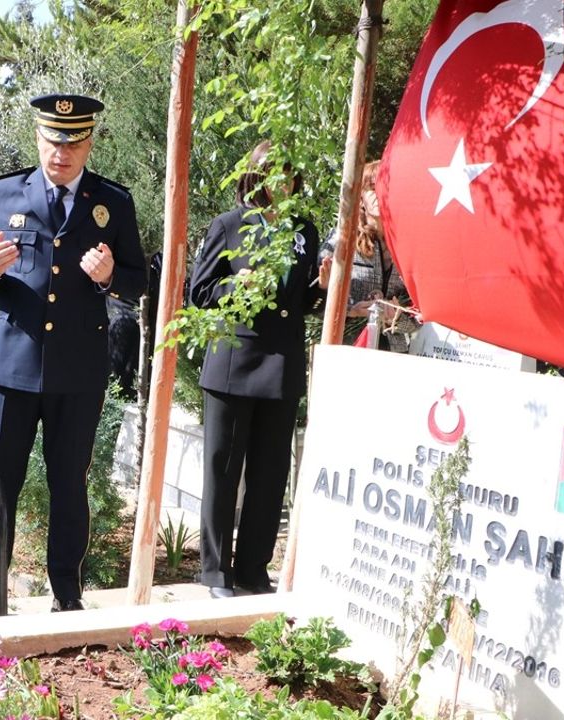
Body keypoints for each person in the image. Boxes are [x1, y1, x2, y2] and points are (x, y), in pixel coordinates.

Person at [0, 93, 146, 617]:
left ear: (88, 143)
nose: (60, 153)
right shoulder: (5, 191)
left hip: (78, 369)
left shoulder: (113, 202)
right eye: (51, 141)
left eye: (72, 142)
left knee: (70, 484)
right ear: (38, 139)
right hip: (10, 366)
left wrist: (110, 277)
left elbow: (138, 276)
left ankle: (67, 591)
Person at [187, 140, 326, 599]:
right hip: (233, 364)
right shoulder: (230, 225)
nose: (280, 182)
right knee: (223, 473)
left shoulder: (304, 229)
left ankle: (252, 570)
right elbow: (200, 292)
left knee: (270, 478)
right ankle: (214, 572)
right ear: (255, 176)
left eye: (287, 174)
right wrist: (235, 284)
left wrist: (320, 287)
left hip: (281, 365)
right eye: (271, 173)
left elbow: (302, 301)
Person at [320, 159, 415, 350]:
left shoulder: (409, 245)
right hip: (348, 348)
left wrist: (397, 318)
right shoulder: (343, 239)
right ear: (361, 196)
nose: (379, 194)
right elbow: (315, 304)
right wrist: (350, 310)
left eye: (385, 186)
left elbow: (418, 317)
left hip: (394, 354)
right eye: (372, 188)